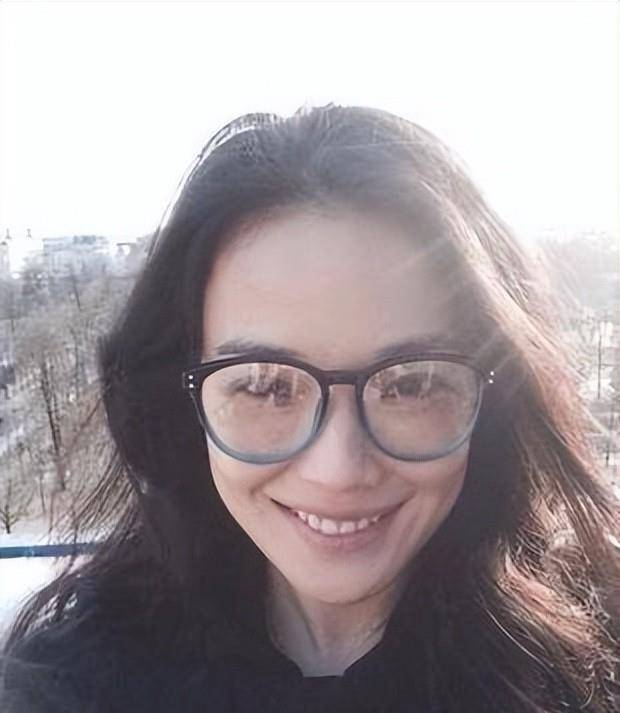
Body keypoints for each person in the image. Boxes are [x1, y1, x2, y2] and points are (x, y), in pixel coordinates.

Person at [1, 105, 618, 713]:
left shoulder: (593, 668)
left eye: (412, 385)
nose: (338, 471)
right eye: (266, 387)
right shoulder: (70, 686)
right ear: (183, 399)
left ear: (495, 398)